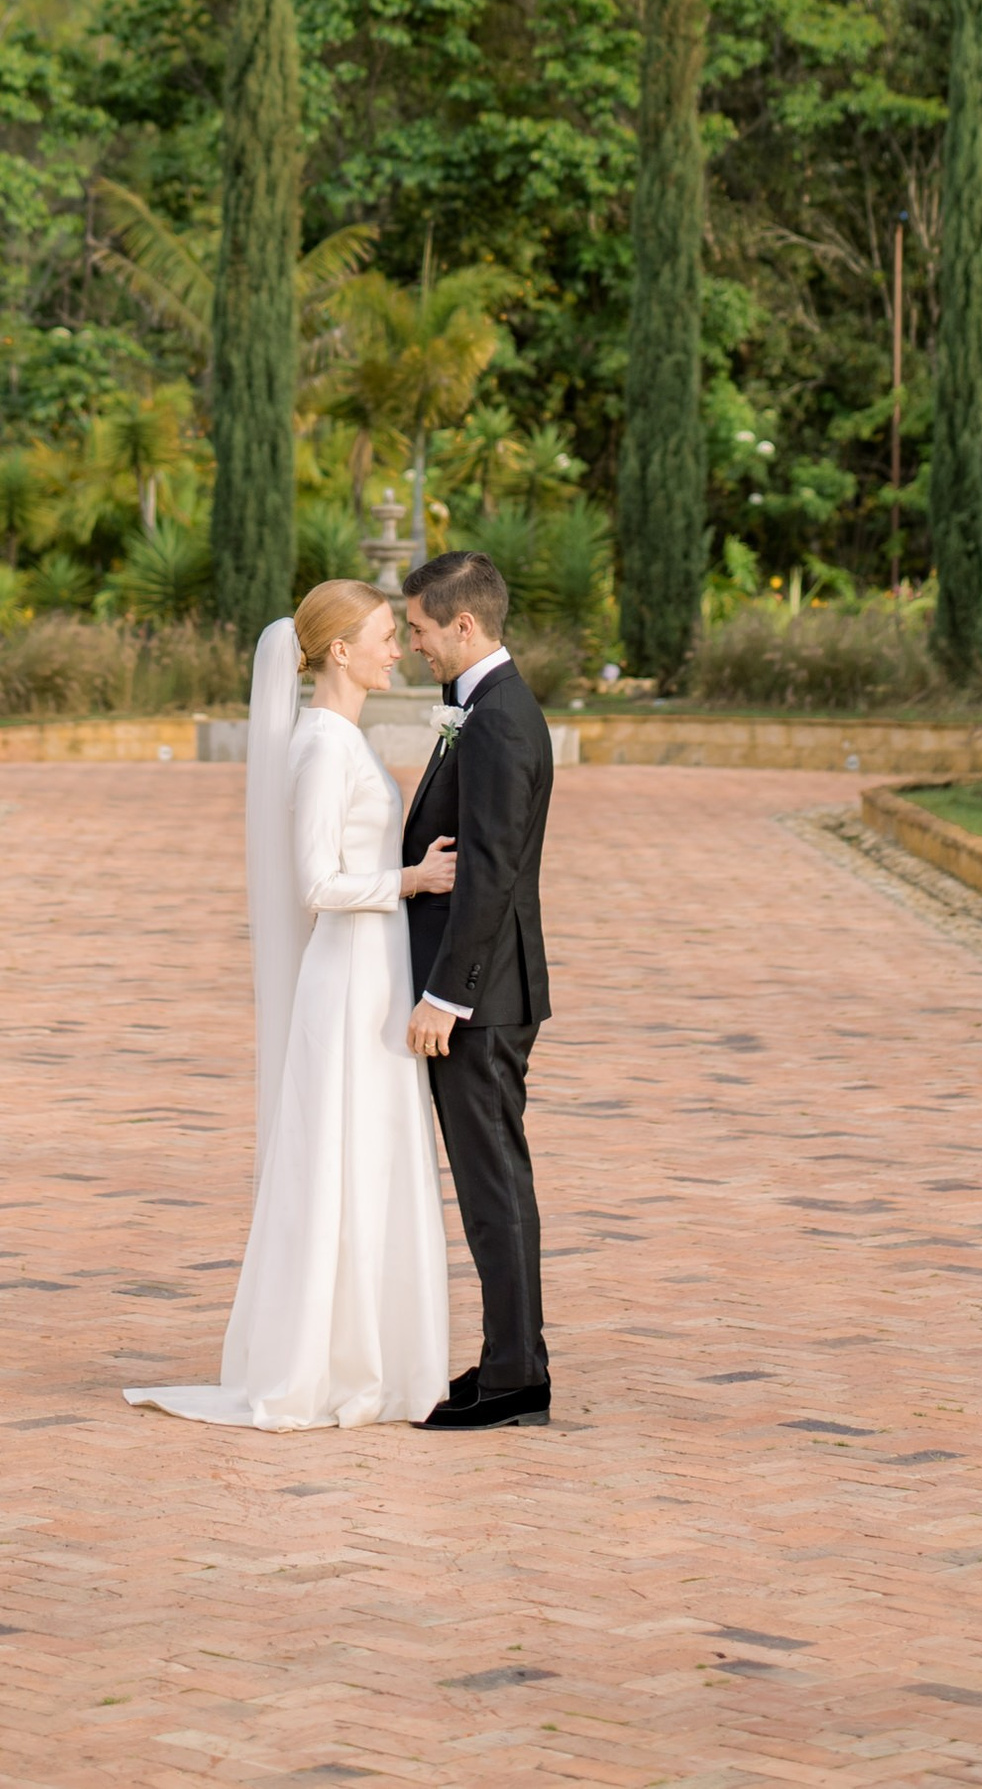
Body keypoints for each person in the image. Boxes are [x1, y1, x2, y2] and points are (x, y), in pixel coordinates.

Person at [125, 580, 456, 1428]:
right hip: (345, 981)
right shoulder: (320, 747)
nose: (396, 649)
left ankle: (374, 1356)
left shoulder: (347, 739)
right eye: (385, 636)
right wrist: (410, 879)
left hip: (375, 974)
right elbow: (316, 884)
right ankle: (324, 1361)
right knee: (339, 1158)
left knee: (372, 1156)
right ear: (339, 651)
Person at [398, 547, 555, 1429]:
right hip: (489, 992)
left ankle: (513, 1379)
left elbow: (490, 875)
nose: (415, 643)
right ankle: (513, 1361)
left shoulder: (493, 720)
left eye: (420, 628)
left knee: (493, 1187)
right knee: (495, 1184)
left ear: (464, 623)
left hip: (483, 1000)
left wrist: (445, 998)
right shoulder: (490, 706)